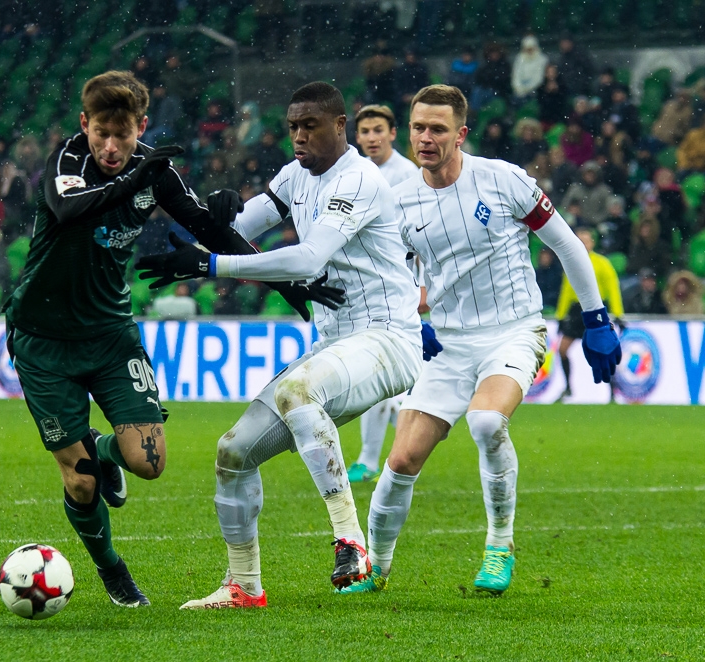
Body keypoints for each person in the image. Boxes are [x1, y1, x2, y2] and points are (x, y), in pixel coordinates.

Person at [3, 71, 336, 609]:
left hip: (110, 334)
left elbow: (210, 229)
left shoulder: (154, 170)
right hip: (43, 339)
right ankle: (112, 569)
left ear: (141, 126)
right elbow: (68, 210)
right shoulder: (67, 161)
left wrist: (286, 283)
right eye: (101, 134)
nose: (111, 147)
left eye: (123, 135)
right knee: (81, 482)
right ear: (85, 124)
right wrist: (137, 178)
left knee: (149, 463)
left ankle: (103, 450)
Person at [139, 82, 433, 609]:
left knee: (298, 392)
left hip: (388, 338)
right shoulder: (295, 175)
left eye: (309, 125)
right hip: (335, 343)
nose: (298, 135)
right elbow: (237, 226)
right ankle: (243, 585)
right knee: (233, 452)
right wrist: (217, 210)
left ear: (339, 126)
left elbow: (307, 258)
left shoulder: (359, 178)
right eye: (293, 126)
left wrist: (210, 264)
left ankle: (350, 541)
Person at [342, 85, 620, 598]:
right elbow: (389, 278)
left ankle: (499, 545)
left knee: (487, 420)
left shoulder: (503, 180)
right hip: (447, 344)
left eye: (438, 129)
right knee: (401, 461)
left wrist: (596, 317)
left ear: (461, 134)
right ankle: (375, 568)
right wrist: (409, 320)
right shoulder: (398, 202)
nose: (425, 138)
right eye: (418, 128)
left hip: (513, 331)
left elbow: (566, 245)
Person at [349, 103, 423, 484]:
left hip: (400, 289)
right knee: (376, 377)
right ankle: (391, 444)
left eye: (378, 130)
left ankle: (374, 457)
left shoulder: (408, 174)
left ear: (393, 133)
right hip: (364, 287)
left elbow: (421, 235)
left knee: (380, 374)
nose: (372, 137)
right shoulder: (352, 172)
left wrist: (423, 286)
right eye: (365, 131)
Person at [555, 228, 624, 399]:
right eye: (580, 240)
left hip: (595, 310)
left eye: (586, 240)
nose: (583, 244)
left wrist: (618, 313)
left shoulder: (602, 263)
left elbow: (612, 289)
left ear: (592, 243)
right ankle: (568, 387)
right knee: (562, 350)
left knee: (604, 350)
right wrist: (561, 316)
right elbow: (566, 291)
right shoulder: (571, 262)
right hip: (577, 311)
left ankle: (612, 391)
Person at [511, 35, 547, 103]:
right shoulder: (519, 58)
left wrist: (527, 89)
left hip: (536, 90)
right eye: (527, 49)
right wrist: (519, 88)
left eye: (531, 48)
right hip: (519, 91)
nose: (529, 51)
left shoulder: (542, 59)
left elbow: (539, 78)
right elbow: (516, 75)